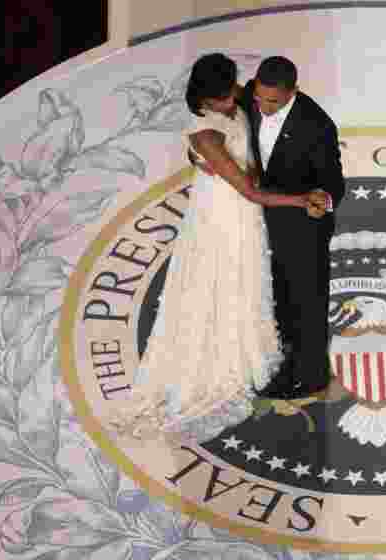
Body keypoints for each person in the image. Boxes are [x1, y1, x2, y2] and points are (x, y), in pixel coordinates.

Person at [107, 53, 327, 443]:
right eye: (226, 99)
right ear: (207, 100)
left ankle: (259, 342)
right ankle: (231, 359)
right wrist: (301, 199)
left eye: (234, 92)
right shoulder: (206, 134)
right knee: (225, 281)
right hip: (227, 215)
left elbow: (249, 114)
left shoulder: (234, 96)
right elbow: (250, 191)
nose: (238, 102)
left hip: (245, 213)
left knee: (251, 281)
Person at [191, 55, 346, 400]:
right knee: (276, 293)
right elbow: (211, 129)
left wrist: (323, 198)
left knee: (307, 297)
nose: (262, 106)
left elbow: (334, 180)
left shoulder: (317, 125)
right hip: (258, 219)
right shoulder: (247, 97)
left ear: (293, 93)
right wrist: (200, 155)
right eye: (258, 98)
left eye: (273, 102)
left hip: (303, 222)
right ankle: (282, 357)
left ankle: (312, 374)